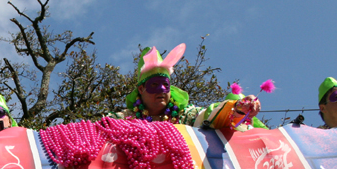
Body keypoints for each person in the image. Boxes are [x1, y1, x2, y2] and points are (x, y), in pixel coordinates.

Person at [111, 44, 263, 130]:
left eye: (166, 85)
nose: (162, 90)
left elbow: (209, 116)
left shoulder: (186, 115)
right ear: (141, 89)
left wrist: (236, 108)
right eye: (154, 84)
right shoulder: (123, 119)